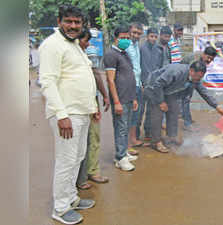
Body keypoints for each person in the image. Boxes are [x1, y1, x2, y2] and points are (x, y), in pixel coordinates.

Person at [39, 5, 97, 224]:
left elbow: (80, 78)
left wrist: (93, 108)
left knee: (78, 158)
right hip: (67, 114)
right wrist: (61, 114)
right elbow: (48, 81)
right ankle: (61, 209)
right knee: (66, 160)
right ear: (59, 20)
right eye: (68, 21)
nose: (73, 26)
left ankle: (71, 197)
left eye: (77, 22)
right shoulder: (52, 45)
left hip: (81, 112)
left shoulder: (73, 45)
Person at [144, 61, 223, 152]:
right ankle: (156, 142)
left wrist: (216, 106)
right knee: (157, 114)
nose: (198, 79)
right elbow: (158, 84)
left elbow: (204, 92)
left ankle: (171, 137)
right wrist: (161, 102)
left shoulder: (196, 79)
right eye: (197, 76)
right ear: (191, 71)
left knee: (174, 111)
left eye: (201, 77)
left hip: (169, 90)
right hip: (154, 88)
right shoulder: (176, 72)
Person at [76, 28, 110, 191]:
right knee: (86, 140)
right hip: (81, 102)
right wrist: (104, 95)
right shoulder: (78, 54)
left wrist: (102, 95)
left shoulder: (84, 53)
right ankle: (86, 175)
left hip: (88, 99)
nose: (88, 43)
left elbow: (96, 74)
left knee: (90, 138)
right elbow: (96, 74)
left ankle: (88, 172)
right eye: (85, 40)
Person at [104, 26, 138, 172]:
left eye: (127, 38)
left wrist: (134, 98)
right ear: (115, 38)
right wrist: (116, 102)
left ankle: (124, 152)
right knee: (121, 128)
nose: (125, 40)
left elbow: (129, 76)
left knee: (126, 125)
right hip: (120, 99)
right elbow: (110, 81)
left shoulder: (124, 53)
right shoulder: (111, 54)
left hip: (129, 97)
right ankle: (119, 158)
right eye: (122, 38)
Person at [180, 46, 218, 131]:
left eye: (211, 59)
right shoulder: (195, 60)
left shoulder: (202, 61)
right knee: (184, 99)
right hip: (182, 79)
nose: (209, 61)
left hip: (188, 78)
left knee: (186, 99)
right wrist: (214, 104)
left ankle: (186, 119)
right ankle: (186, 123)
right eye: (208, 58)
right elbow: (195, 81)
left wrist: (214, 104)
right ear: (204, 54)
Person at [139, 27, 165, 142]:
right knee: (139, 111)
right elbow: (138, 66)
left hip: (154, 85)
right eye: (151, 36)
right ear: (147, 36)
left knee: (150, 110)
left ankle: (148, 133)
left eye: (155, 37)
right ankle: (135, 135)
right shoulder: (140, 49)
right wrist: (141, 83)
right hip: (142, 84)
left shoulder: (159, 50)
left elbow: (160, 68)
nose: (153, 39)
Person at [126, 22, 144, 154]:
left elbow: (137, 66)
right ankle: (126, 145)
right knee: (127, 115)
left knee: (135, 114)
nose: (136, 35)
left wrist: (141, 84)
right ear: (129, 32)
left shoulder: (137, 45)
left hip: (138, 84)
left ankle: (133, 139)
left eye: (138, 33)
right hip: (129, 85)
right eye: (134, 33)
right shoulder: (125, 45)